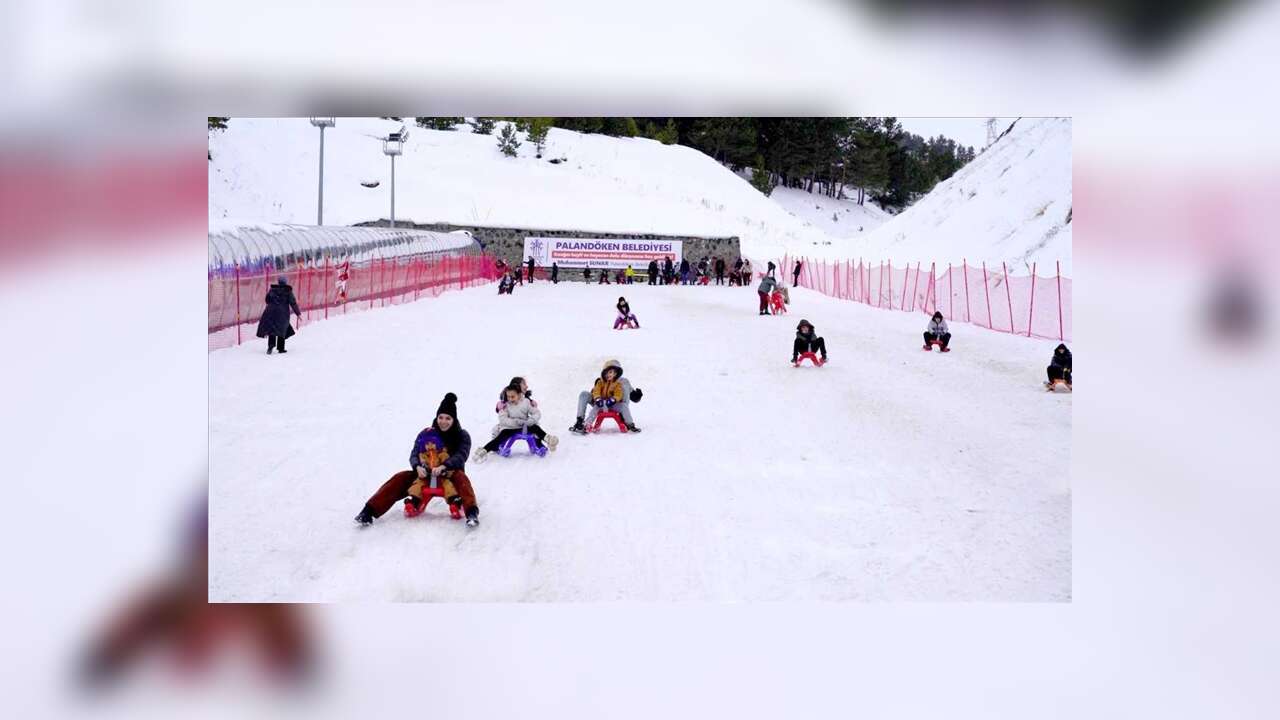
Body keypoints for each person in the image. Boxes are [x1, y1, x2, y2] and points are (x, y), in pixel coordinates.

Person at [354, 393, 480, 527]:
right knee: (400, 478)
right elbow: (414, 453)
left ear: (454, 419)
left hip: (449, 474)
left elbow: (461, 455)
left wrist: (444, 466)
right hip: (425, 474)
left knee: (462, 480)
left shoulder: (462, 436)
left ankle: (471, 513)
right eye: (440, 417)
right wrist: (417, 467)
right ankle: (368, 512)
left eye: (448, 418)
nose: (443, 421)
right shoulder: (426, 434)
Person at [474, 384, 557, 462]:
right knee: (501, 436)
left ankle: (548, 439)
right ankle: (484, 450)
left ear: (519, 395)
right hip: (510, 428)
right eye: (508, 397)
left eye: (512, 396)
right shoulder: (505, 405)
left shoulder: (525, 402)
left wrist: (530, 420)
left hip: (524, 426)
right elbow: (503, 419)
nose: (510, 399)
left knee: (535, 428)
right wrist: (516, 422)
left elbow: (536, 413)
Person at [569, 359, 642, 434]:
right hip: (600, 403)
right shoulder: (600, 382)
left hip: (613, 404)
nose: (610, 375)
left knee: (624, 406)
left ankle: (630, 425)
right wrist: (597, 399)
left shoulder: (619, 383)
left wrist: (614, 399)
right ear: (604, 372)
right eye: (608, 372)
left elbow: (618, 394)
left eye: (612, 373)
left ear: (616, 374)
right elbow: (596, 391)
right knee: (592, 405)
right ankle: (584, 424)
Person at [256, 275, 302, 354]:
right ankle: (281, 348)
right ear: (285, 282)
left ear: (278, 282)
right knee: (282, 329)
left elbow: (267, 300)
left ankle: (270, 346)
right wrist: (298, 313)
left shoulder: (272, 290)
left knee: (272, 329)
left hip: (271, 312)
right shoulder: (288, 291)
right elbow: (293, 303)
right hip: (282, 313)